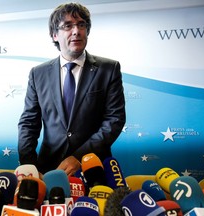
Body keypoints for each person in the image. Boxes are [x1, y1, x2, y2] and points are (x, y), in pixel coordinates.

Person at [18, 2, 126, 177]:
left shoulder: (109, 69)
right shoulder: (38, 74)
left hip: (94, 167)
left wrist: (78, 157)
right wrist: (29, 165)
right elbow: (29, 123)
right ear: (54, 35)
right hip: (49, 169)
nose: (76, 31)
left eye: (81, 25)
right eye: (68, 26)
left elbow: (114, 120)